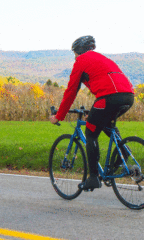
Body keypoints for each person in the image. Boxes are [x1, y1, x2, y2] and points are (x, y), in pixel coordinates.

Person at [50, 36, 134, 190]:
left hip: (109, 98)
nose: (74, 57)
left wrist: (58, 116)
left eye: (74, 53)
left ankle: (94, 177)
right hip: (128, 96)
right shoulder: (102, 58)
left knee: (90, 134)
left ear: (78, 51)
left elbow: (71, 92)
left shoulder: (81, 61)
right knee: (105, 124)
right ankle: (123, 152)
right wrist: (96, 112)